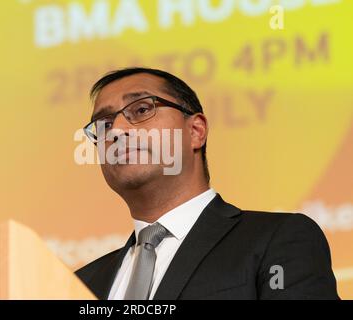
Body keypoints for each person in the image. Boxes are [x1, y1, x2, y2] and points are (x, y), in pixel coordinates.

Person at [75, 67, 339, 300]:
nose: (117, 130)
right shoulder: (81, 285)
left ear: (196, 131)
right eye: (104, 124)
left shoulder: (279, 240)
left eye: (142, 109)